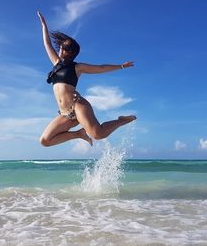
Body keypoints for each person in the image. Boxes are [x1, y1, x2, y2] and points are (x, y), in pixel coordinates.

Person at [37, 11, 136, 147]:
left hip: (77, 106)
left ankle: (122, 120)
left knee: (98, 134)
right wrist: (44, 25)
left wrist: (121, 66)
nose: (59, 48)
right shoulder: (56, 64)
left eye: (62, 47)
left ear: (69, 52)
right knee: (45, 141)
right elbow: (47, 44)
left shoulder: (77, 67)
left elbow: (101, 68)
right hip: (66, 114)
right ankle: (78, 134)